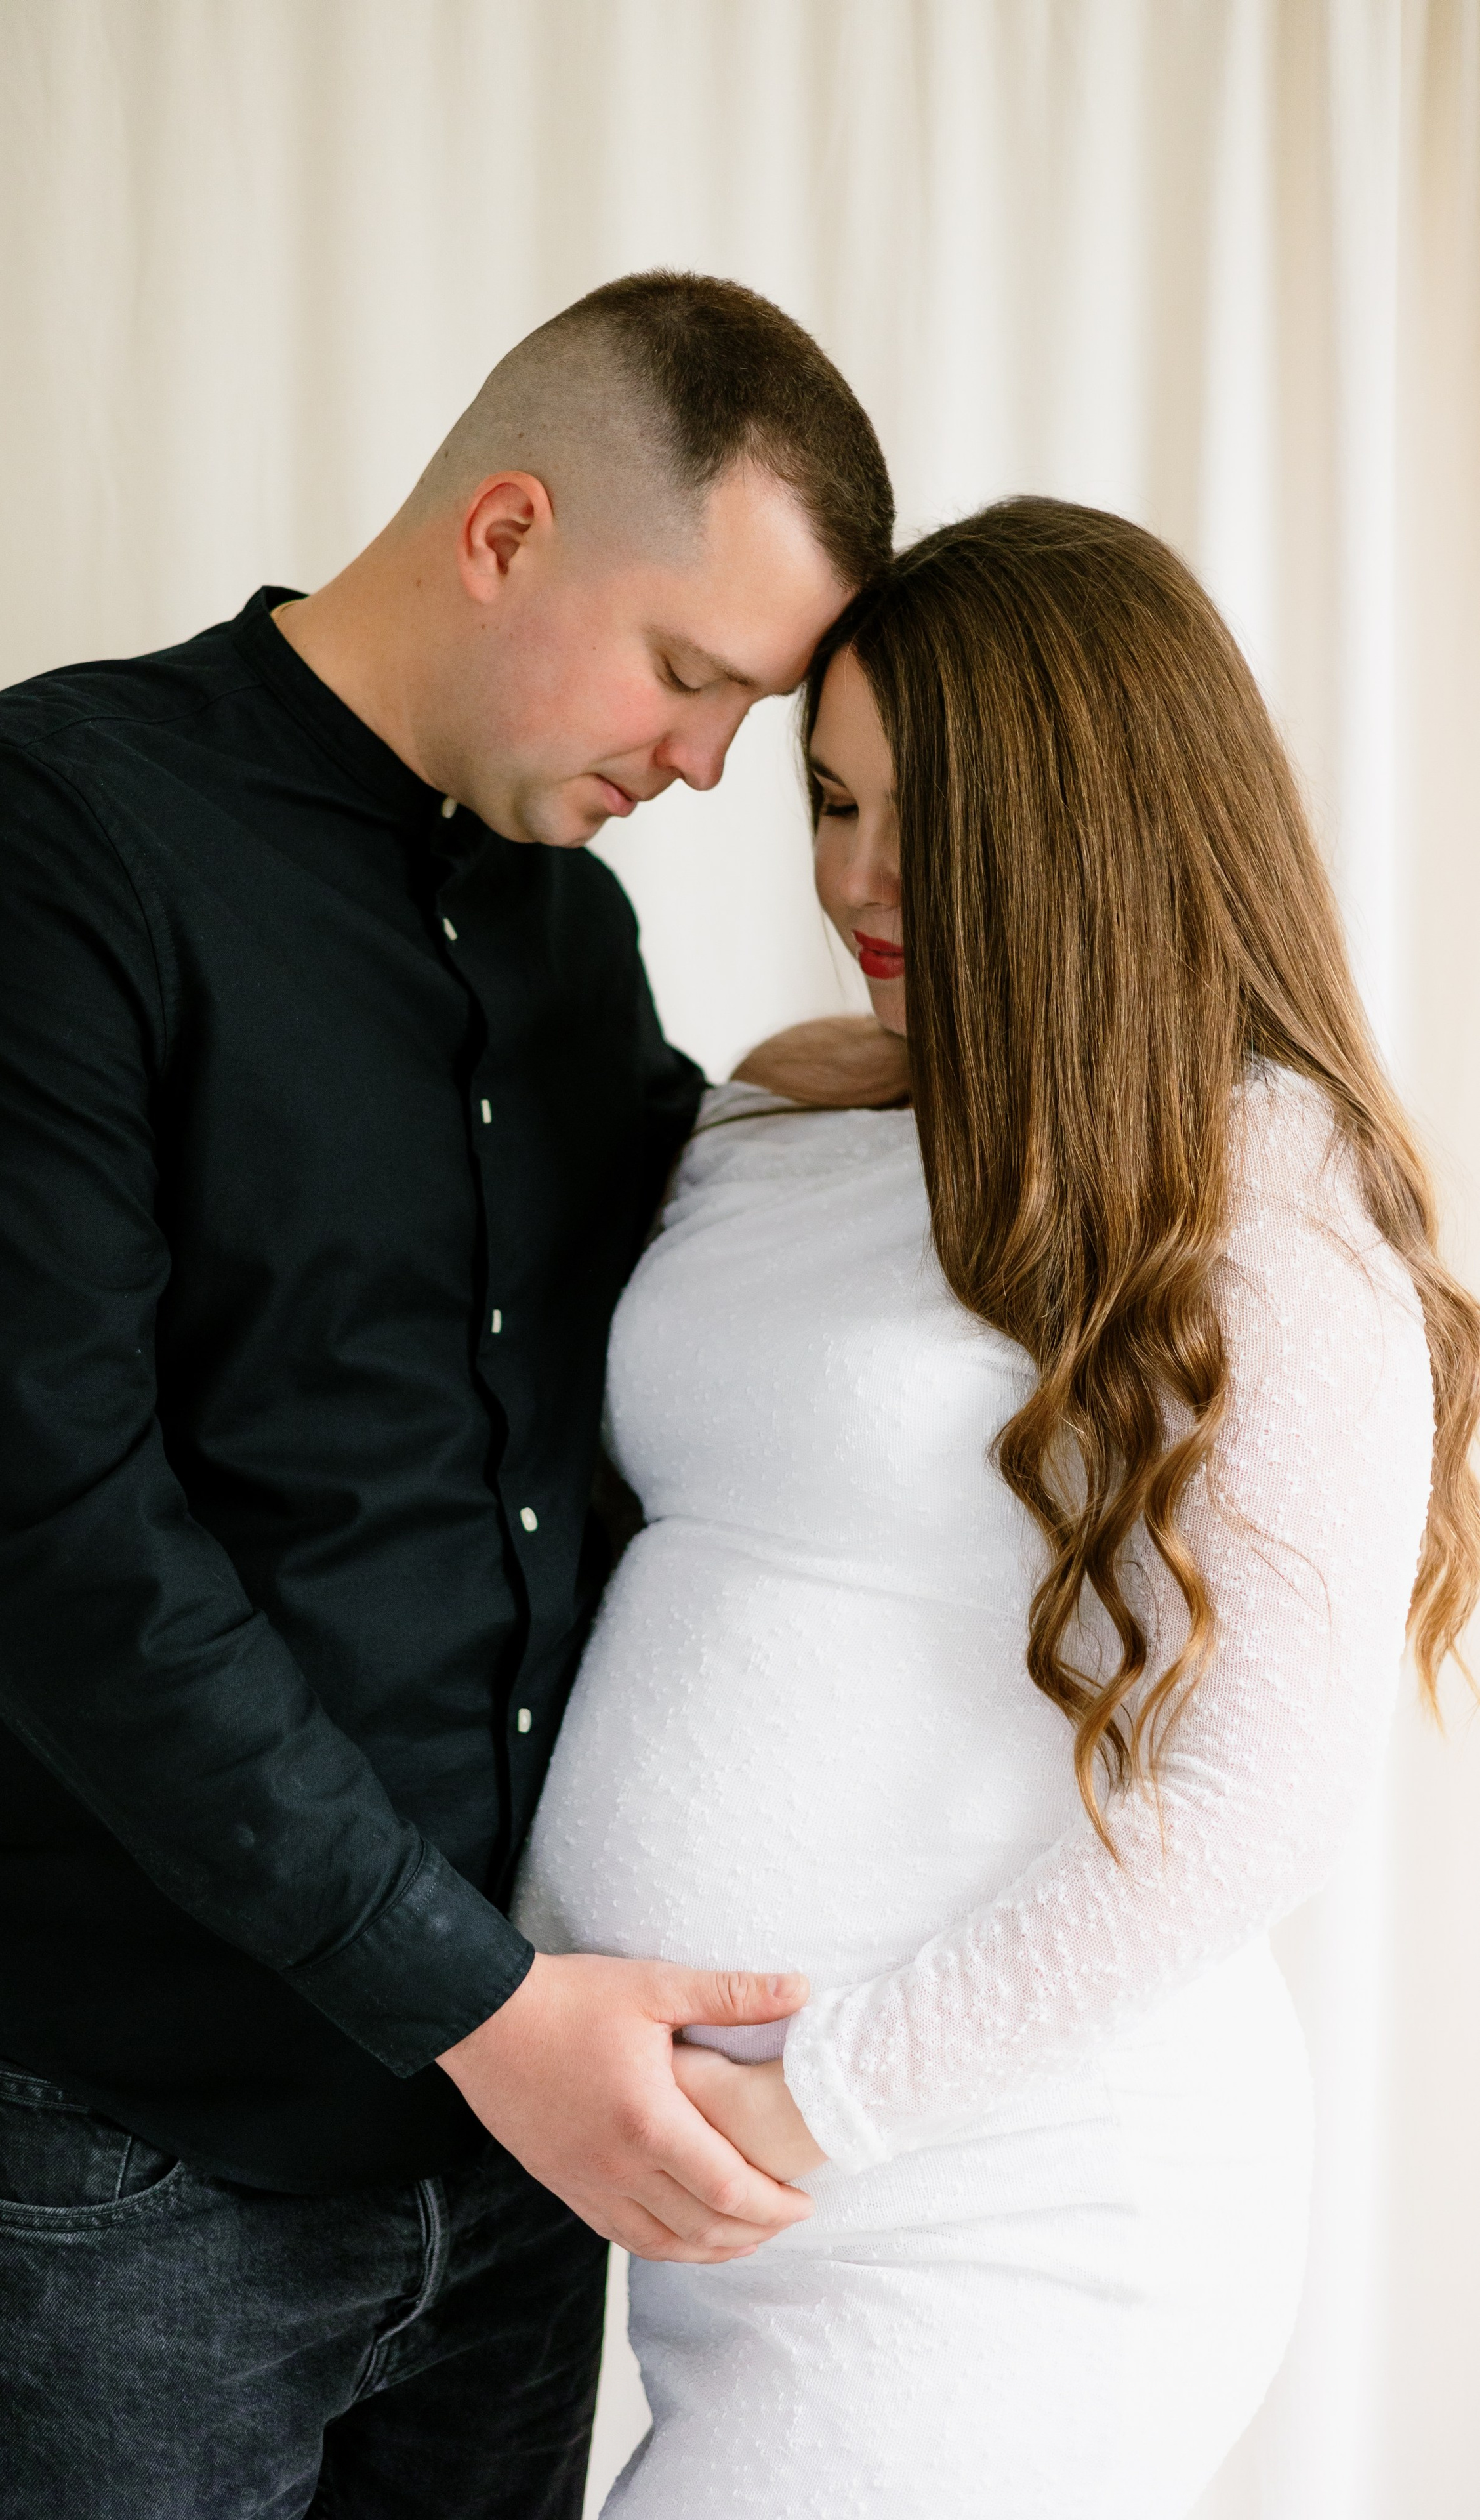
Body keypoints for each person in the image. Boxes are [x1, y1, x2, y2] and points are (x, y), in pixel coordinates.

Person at [0, 271, 894, 2520]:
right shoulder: (39, 837)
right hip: (120, 2163)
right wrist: (485, 2007)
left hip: (511, 2162)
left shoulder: (568, 939)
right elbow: (51, 1542)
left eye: (748, 713)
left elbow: (695, 1377)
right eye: (690, 675)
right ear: (506, 529)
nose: (708, 768)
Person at [514, 496, 1480, 2517]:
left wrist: (820, 2104)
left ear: (1091, 822)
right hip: (719, 2222)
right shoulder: (799, 1105)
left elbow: (1256, 1801)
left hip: (1012, 2211)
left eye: (924, 815)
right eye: (832, 800)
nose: (858, 880)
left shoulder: (1265, 1193)